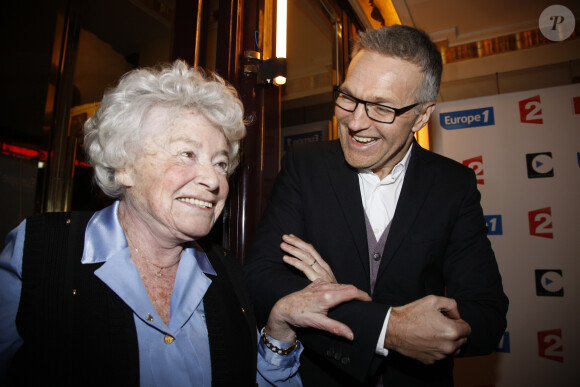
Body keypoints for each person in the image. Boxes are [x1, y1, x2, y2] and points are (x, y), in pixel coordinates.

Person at [0, 61, 372, 386]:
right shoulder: (38, 250)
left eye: (221, 162)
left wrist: (277, 329)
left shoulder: (226, 273)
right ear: (124, 163)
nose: (213, 180)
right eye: (187, 154)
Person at [243, 25, 509, 386]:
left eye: (382, 107)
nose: (355, 121)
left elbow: (487, 317)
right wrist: (388, 328)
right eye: (348, 97)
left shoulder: (453, 185)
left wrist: (335, 301)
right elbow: (260, 279)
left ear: (421, 115)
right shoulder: (304, 165)